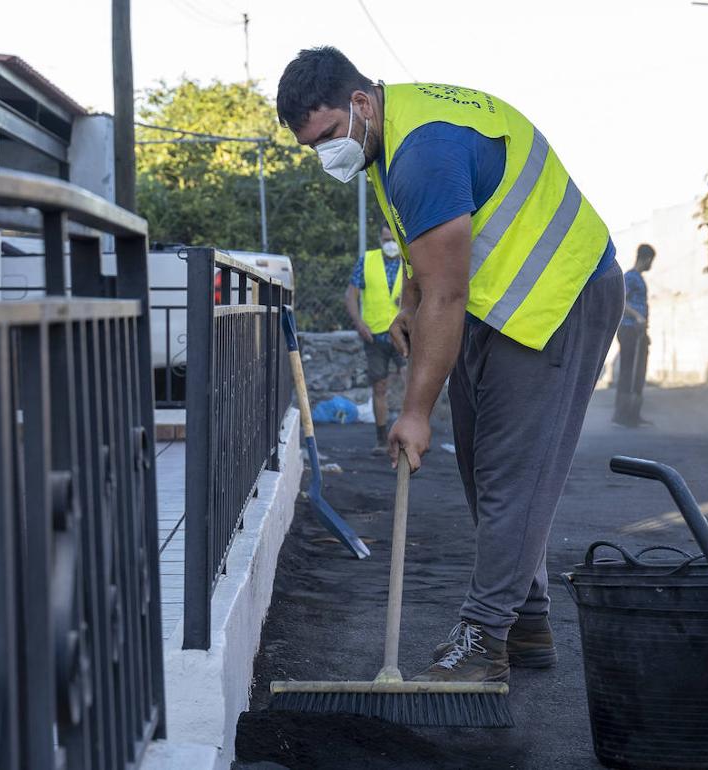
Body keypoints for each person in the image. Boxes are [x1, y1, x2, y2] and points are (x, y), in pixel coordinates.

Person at [277, 48, 623, 685]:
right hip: (498, 303)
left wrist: (414, 412)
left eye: (326, 136)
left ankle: (484, 636)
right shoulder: (394, 131)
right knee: (483, 468)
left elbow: (448, 294)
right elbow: (429, 267)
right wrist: (408, 302)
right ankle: (528, 621)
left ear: (358, 103)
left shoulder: (424, 152)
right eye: (312, 147)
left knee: (511, 474)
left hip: (558, 295)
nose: (326, 154)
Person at [343, 223, 406, 453]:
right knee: (379, 386)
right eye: (385, 239)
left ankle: (409, 433)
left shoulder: (411, 260)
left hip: (405, 333)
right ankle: (381, 439)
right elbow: (350, 295)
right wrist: (359, 323)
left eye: (393, 239)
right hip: (375, 334)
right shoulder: (367, 260)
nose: (389, 244)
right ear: (380, 240)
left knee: (410, 380)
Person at [614, 243, 655, 426]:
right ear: (645, 258)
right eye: (651, 261)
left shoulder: (638, 278)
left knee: (637, 372)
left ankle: (633, 415)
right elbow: (620, 300)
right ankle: (622, 416)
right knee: (628, 373)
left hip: (638, 332)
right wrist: (638, 316)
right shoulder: (630, 277)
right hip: (629, 330)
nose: (651, 265)